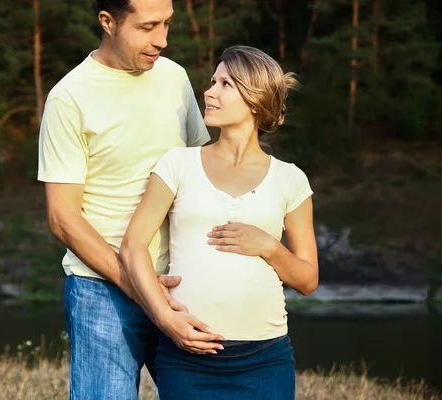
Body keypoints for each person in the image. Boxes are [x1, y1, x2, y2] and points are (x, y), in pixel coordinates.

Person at [37, 0, 219, 398]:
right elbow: (62, 218)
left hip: (183, 280)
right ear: (108, 22)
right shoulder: (69, 97)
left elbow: (201, 174)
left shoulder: (175, 78)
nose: (163, 41)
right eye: (148, 27)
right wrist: (140, 287)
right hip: (103, 290)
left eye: (168, 25)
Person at [120, 45, 319, 400]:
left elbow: (307, 279)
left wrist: (270, 247)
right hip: (188, 357)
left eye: (225, 84)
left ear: (255, 100)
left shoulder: (291, 180)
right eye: (213, 81)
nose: (209, 92)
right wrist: (164, 316)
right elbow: (133, 246)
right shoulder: (177, 164)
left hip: (265, 358)